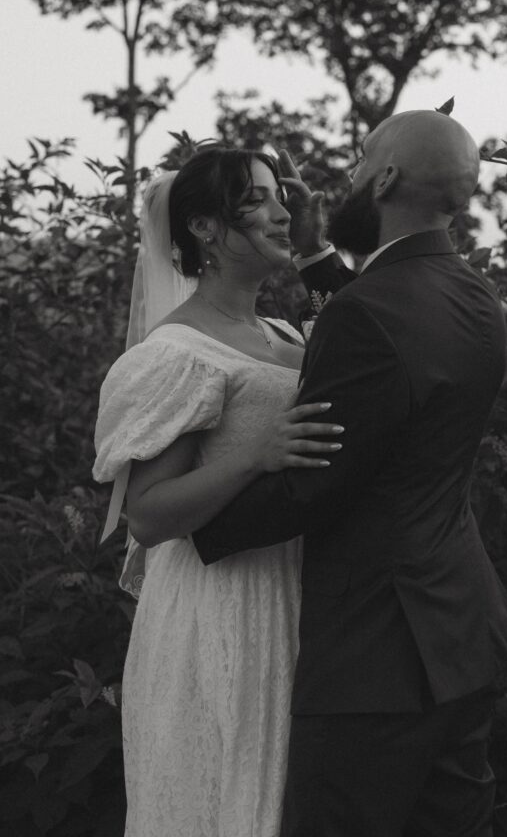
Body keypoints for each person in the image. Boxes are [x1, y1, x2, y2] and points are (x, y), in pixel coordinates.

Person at [193, 110, 507, 837]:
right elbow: (380, 340)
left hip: (374, 660)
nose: (346, 175)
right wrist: (315, 256)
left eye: (360, 159)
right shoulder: (474, 296)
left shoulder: (371, 313)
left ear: (384, 179)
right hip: (463, 632)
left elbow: (315, 482)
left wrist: (186, 525)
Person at [93, 144, 345, 837]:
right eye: (257, 198)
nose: (280, 209)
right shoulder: (175, 353)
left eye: (280, 196)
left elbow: (357, 336)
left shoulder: (283, 333)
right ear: (204, 228)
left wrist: (316, 247)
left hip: (293, 594)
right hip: (217, 606)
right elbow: (146, 516)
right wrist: (255, 458)